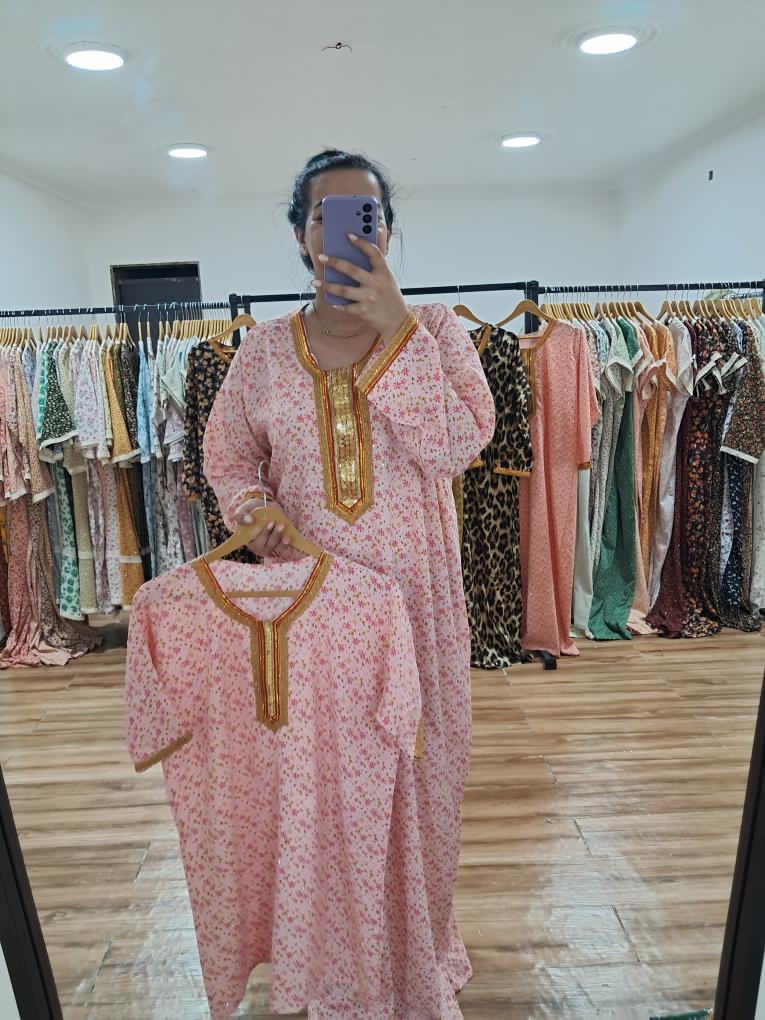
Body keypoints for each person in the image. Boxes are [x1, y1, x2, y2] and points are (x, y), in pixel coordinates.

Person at [203, 149, 495, 1017]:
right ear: (301, 234)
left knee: (423, 784)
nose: (343, 233)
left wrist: (396, 326)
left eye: (364, 216)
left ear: (387, 233)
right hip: (315, 616)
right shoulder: (262, 354)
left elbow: (456, 446)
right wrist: (255, 513)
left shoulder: (436, 332)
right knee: (325, 793)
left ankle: (415, 955)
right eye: (325, 216)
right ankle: (334, 961)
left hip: (418, 613)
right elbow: (227, 459)